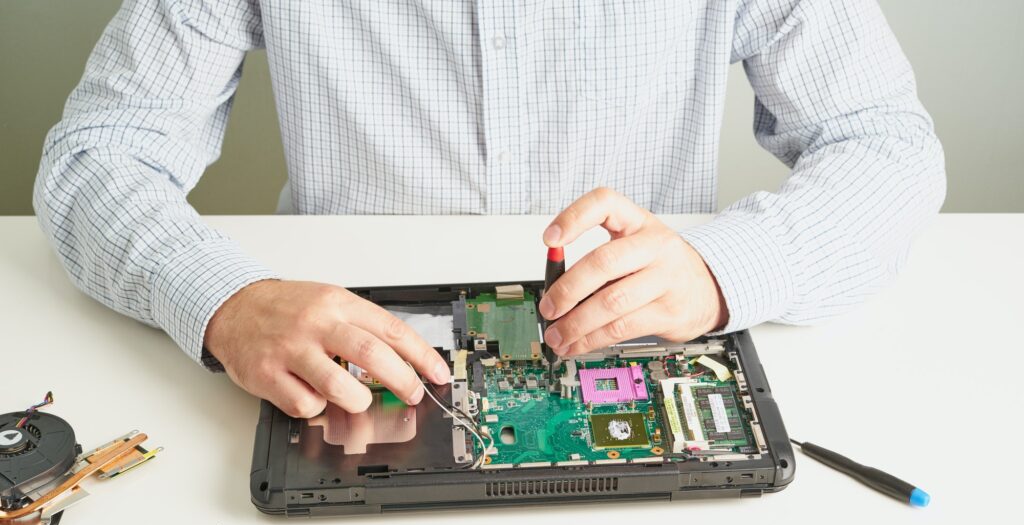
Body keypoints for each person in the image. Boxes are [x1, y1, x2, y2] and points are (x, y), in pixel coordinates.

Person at [34, 0, 945, 418]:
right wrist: (225, 298)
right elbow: (96, 157)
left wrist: (721, 270)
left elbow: (886, 144)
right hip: (352, 377)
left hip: (642, 359)